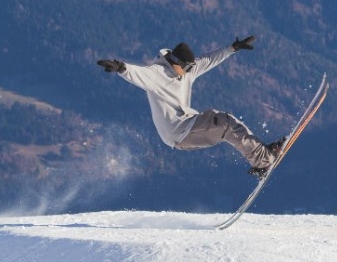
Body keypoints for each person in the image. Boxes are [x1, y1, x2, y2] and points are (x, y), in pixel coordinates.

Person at [97, 35, 284, 178]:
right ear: (175, 62)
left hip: (187, 128)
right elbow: (136, 73)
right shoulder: (156, 74)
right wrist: (119, 67)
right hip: (179, 131)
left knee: (227, 126)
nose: (188, 72)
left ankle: (260, 155)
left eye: (189, 68)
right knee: (225, 122)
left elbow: (208, 60)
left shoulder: (185, 71)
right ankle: (263, 160)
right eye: (186, 68)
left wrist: (233, 48)